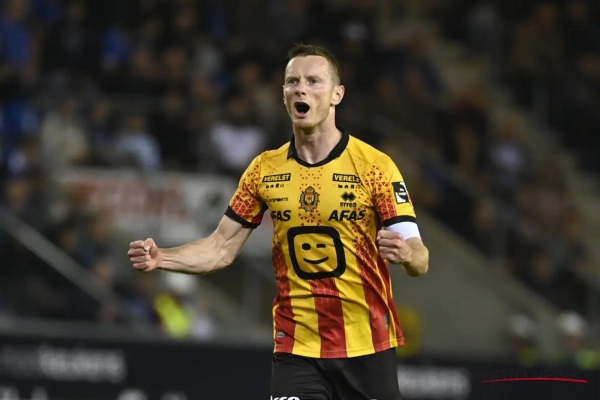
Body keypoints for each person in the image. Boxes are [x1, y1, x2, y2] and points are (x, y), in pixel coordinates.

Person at [128, 44, 430, 400]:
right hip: (297, 348)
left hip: (367, 345)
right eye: (292, 81)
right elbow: (220, 248)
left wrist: (407, 254)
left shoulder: (375, 167)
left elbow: (420, 258)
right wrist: (162, 257)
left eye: (313, 81)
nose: (301, 89)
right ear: (284, 94)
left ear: (337, 94)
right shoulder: (264, 170)